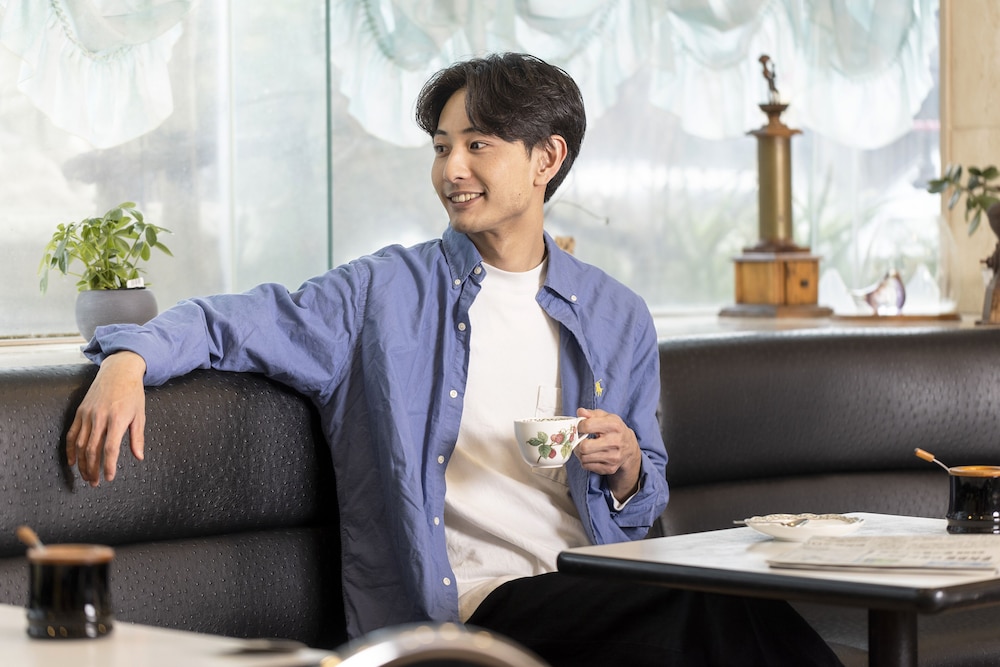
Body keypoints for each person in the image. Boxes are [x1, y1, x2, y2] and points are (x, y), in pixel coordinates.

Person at [67, 52, 841, 666]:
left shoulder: (616, 314)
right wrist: (128, 359)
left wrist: (628, 464)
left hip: (599, 583)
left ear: (546, 159)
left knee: (731, 599)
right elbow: (228, 320)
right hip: (470, 609)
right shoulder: (380, 294)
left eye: (477, 145)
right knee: (696, 608)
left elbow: (642, 504)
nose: (451, 169)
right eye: (442, 147)